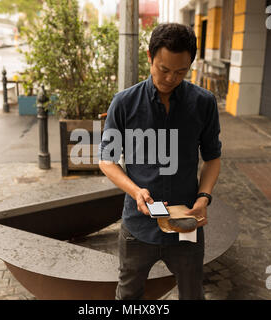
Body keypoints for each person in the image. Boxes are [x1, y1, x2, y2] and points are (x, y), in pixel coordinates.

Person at [98, 23, 222, 300]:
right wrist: (135, 191)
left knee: (192, 294)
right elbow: (106, 161)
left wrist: (204, 197)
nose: (170, 78)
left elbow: (213, 157)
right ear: (149, 56)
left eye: (181, 71)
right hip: (138, 225)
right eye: (163, 69)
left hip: (186, 222)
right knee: (128, 295)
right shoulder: (124, 103)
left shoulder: (204, 102)